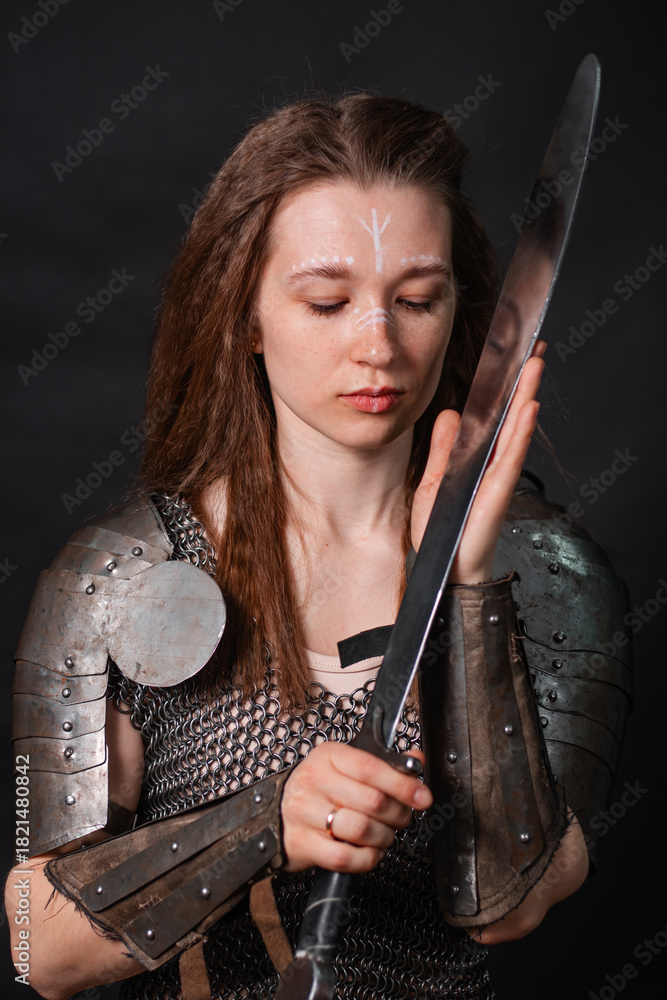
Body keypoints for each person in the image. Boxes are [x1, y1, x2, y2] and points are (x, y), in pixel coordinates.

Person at [7, 92, 631, 1000]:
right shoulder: (124, 577)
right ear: (247, 317)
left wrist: (465, 595)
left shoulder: (547, 576)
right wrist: (264, 822)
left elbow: (506, 902)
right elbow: (34, 942)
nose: (377, 344)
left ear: (458, 310)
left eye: (416, 298)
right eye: (327, 301)